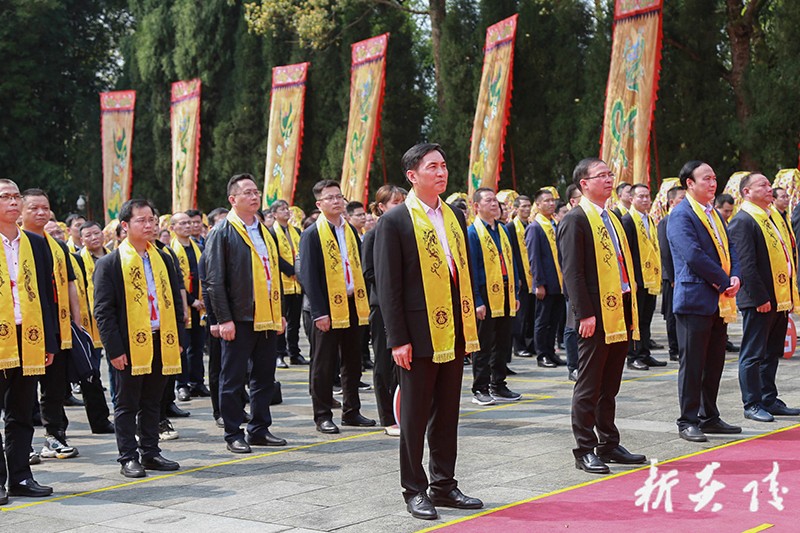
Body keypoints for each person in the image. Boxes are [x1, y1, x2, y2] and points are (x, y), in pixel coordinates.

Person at [374, 143, 483, 520]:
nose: (441, 172)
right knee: (415, 416)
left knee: (447, 413)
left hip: (452, 329)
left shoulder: (452, 215)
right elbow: (389, 288)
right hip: (417, 335)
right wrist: (398, 339)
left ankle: (444, 485)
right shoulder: (396, 221)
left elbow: (460, 271)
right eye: (432, 166)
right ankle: (414, 488)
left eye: (444, 165)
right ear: (412, 175)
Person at [558, 158, 647, 475]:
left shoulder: (612, 218)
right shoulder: (576, 220)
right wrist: (584, 313)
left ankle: (608, 442)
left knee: (610, 384)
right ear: (584, 183)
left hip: (620, 308)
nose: (610, 179)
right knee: (589, 384)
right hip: (594, 315)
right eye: (602, 175)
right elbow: (573, 273)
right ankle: (584, 449)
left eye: (611, 174)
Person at [92, 198, 184, 478]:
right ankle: (128, 457)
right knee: (126, 403)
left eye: (152, 220)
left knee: (153, 400)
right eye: (141, 220)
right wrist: (115, 349)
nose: (149, 225)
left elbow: (174, 302)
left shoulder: (163, 258)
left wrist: (177, 336)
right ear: (124, 225)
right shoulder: (111, 263)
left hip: (161, 337)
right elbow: (103, 311)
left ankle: (151, 452)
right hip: (129, 343)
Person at [204, 174, 288, 453]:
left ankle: (260, 428)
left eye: (256, 192)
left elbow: (272, 274)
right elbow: (214, 280)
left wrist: (281, 313)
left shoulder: (265, 230)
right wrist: (223, 319)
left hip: (267, 315)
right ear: (233, 199)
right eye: (248, 193)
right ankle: (233, 432)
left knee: (264, 376)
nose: (255, 197)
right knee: (233, 378)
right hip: (239, 318)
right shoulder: (223, 231)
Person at [668, 161, 742, 443]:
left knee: (714, 362)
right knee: (693, 364)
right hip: (695, 299)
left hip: (720, 299)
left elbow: (730, 246)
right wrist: (725, 281)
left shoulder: (714, 214)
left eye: (714, 178)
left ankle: (709, 415)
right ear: (689, 183)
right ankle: (688, 420)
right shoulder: (681, 215)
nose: (713, 183)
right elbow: (693, 255)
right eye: (706, 178)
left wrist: (736, 275)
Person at [297, 179, 375, 434]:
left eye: (339, 196)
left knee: (353, 361)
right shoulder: (312, 234)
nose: (336, 201)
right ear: (319, 204)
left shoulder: (350, 231)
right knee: (323, 363)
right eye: (330, 198)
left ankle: (352, 411)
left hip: (353, 303)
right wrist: (320, 312)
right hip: (325, 308)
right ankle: (322, 415)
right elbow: (307, 275)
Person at [0, 179, 59, 506]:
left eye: (15, 197)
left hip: (30, 336)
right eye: (5, 197)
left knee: (22, 411)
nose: (12, 202)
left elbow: (47, 298)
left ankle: (21, 475)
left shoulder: (34, 244)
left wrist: (49, 340)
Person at [727, 173, 800, 422]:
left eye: (770, 185)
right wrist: (759, 297)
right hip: (760, 300)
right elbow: (746, 264)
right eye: (763, 185)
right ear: (747, 192)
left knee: (771, 352)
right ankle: (752, 403)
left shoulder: (772, 218)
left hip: (779, 297)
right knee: (753, 353)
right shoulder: (744, 221)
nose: (770, 189)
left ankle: (769, 398)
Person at [468, 187, 522, 406]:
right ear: (476, 206)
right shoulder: (472, 233)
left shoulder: (503, 230)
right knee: (483, 344)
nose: (495, 205)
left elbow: (513, 262)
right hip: (486, 294)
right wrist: (477, 300)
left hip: (506, 293)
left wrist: (516, 292)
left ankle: (498, 384)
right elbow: (471, 270)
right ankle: (480, 388)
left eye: (496, 202)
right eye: (489, 201)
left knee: (502, 342)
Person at [362, 185, 407, 436]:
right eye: (395, 202)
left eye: (403, 201)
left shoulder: (407, 231)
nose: (400, 206)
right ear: (381, 207)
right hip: (382, 307)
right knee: (383, 362)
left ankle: (404, 411)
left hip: (406, 306)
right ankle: (387, 417)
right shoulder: (373, 235)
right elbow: (369, 272)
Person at [621, 184, 666, 370]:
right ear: (631, 199)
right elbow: (626, 253)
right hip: (637, 279)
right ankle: (633, 356)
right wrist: (632, 279)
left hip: (650, 277)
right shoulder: (627, 220)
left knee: (646, 319)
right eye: (641, 196)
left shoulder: (649, 219)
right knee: (635, 320)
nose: (645, 200)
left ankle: (645, 353)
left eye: (648, 196)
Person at [170, 212, 209, 400]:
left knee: (198, 346)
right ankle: (182, 384)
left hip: (200, 305)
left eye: (191, 223)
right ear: (173, 228)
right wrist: (191, 300)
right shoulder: (171, 251)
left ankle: (198, 382)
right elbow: (176, 281)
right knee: (182, 347)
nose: (188, 226)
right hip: (183, 304)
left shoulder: (198, 247)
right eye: (183, 223)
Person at [526, 188, 567, 369]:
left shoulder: (554, 224)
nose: (551, 204)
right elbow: (534, 258)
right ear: (538, 204)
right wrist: (539, 283)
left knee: (555, 319)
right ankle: (542, 354)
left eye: (552, 201)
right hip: (546, 283)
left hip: (558, 282)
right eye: (546, 201)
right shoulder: (535, 227)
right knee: (543, 320)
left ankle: (551, 352)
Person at [268, 200, 307, 368]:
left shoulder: (296, 231)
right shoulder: (272, 232)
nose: (286, 212)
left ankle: (294, 352)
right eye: (281, 209)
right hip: (283, 283)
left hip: (298, 284)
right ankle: (279, 354)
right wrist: (293, 271)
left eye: (287, 209)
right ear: (274, 214)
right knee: (281, 321)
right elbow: (275, 257)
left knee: (294, 322)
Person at [657, 186, 686, 362]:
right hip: (673, 277)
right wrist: (673, 277)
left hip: (684, 274)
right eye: (682, 198)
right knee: (671, 314)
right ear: (672, 201)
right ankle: (674, 348)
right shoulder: (665, 222)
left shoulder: (686, 218)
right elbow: (665, 251)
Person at [507, 195, 535, 358]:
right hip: (519, 274)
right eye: (523, 206)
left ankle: (530, 343)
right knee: (521, 314)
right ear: (516, 209)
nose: (526, 209)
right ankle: (519, 346)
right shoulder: (511, 227)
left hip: (532, 274)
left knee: (531, 312)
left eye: (528, 206)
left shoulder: (530, 226)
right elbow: (511, 253)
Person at [562, 184, 583, 381]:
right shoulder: (570, 220)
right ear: (573, 201)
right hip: (573, 285)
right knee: (571, 326)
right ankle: (573, 366)